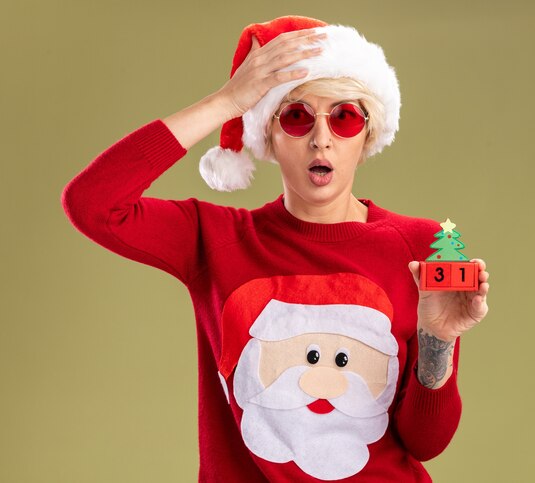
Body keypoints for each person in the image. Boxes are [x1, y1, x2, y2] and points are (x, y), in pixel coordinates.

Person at [62, 15, 489, 482]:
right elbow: (92, 204)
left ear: (368, 134)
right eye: (297, 116)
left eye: (344, 117)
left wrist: (438, 341)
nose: (321, 138)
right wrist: (226, 102)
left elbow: (427, 442)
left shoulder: (421, 247)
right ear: (268, 133)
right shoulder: (216, 239)